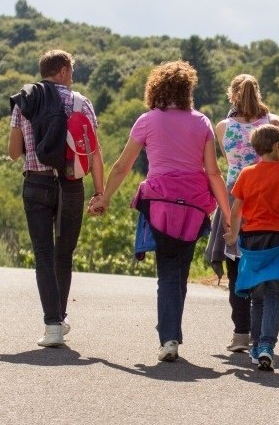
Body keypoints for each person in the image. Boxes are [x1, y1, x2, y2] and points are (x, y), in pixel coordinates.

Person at [88, 60, 231, 362]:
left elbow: (123, 165)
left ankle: (169, 337)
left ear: (156, 88)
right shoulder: (202, 122)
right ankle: (171, 332)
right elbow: (214, 173)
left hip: (160, 203)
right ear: (187, 90)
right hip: (194, 204)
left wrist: (104, 196)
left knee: (167, 271)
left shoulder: (148, 120)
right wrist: (228, 215)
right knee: (179, 271)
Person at [8, 49, 104, 348]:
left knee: (43, 254)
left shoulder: (25, 100)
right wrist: (100, 192)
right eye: (71, 71)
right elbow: (94, 153)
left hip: (36, 184)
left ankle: (53, 326)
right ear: (62, 70)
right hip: (71, 185)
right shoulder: (81, 103)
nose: (72, 77)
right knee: (64, 253)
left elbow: (13, 152)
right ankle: (59, 319)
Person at [204, 73, 279, 353]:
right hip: (269, 198)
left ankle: (240, 333)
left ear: (232, 96)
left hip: (234, 196)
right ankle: (263, 333)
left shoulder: (224, 126)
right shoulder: (274, 123)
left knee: (236, 266)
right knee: (264, 262)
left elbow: (230, 162)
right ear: (258, 93)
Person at [223, 124, 279, 371]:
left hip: (253, 240)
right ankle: (266, 346)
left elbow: (237, 208)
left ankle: (255, 345)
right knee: (275, 293)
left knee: (257, 295)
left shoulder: (247, 174)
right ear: (276, 146)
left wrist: (232, 233)